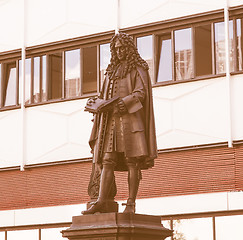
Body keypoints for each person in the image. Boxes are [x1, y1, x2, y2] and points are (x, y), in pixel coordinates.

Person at [82, 32, 157, 214]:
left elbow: (141, 93)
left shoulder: (138, 68)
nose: (120, 51)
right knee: (107, 160)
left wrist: (124, 102)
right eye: (116, 49)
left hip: (131, 122)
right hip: (110, 123)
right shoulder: (110, 71)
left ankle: (131, 203)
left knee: (132, 162)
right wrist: (96, 103)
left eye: (123, 48)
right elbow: (103, 96)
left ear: (129, 48)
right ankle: (100, 200)